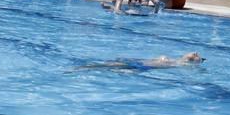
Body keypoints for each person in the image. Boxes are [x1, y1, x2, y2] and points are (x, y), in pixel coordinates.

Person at [76, 52, 204, 70]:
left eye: (198, 56)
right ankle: (85, 67)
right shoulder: (175, 61)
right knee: (108, 65)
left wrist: (197, 60)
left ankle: (84, 68)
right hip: (141, 64)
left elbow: (192, 61)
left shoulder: (180, 64)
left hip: (143, 67)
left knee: (108, 66)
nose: (196, 53)